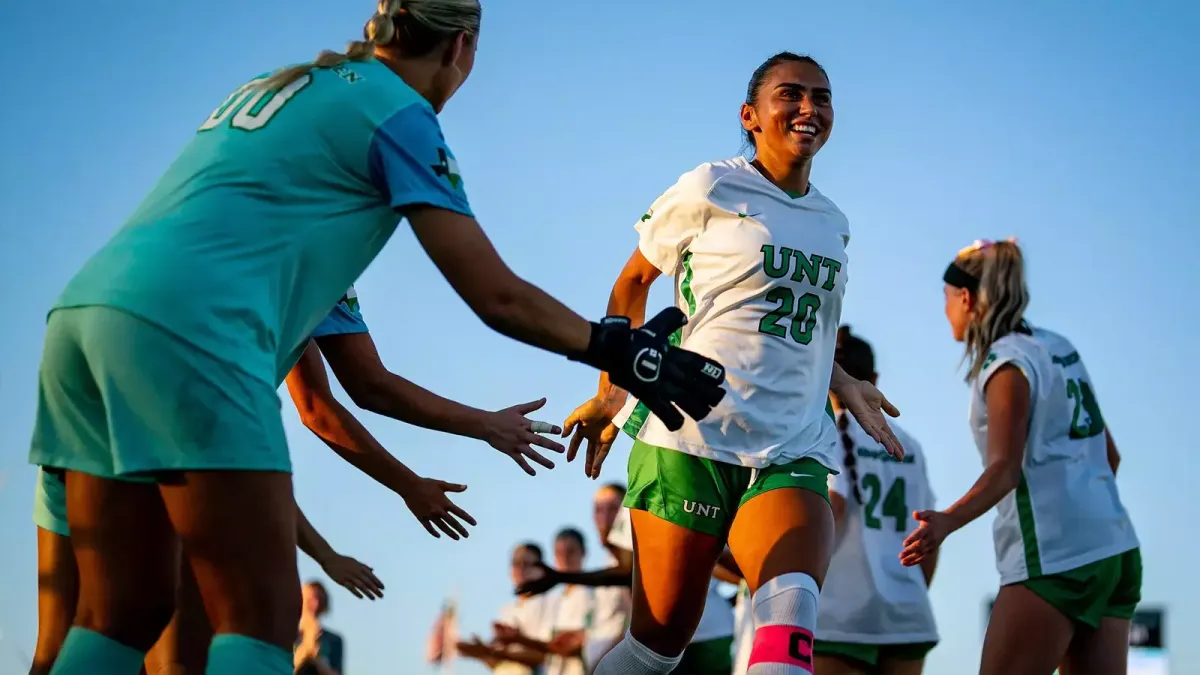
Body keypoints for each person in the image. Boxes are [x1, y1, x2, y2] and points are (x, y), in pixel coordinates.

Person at [27, 0, 727, 673]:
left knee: (121, 614)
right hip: (194, 328)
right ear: (460, 47)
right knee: (258, 623)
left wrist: (479, 426)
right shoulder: (402, 115)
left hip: (86, 318)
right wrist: (616, 348)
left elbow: (363, 381)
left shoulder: (293, 91)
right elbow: (496, 294)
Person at [560, 51, 904, 675]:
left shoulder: (834, 223)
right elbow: (631, 285)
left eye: (822, 97)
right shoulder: (710, 186)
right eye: (791, 94)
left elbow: (799, 328)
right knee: (655, 649)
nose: (809, 108)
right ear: (750, 115)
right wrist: (613, 392)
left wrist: (845, 380)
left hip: (792, 445)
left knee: (790, 612)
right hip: (687, 437)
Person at [900, 239, 1141, 675]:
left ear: (967, 299)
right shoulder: (1057, 345)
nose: (945, 311)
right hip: (1116, 548)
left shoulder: (1007, 362)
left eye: (946, 299)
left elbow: (1005, 471)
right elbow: (1111, 457)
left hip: (1054, 555)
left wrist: (947, 520)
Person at [813, 327, 939, 675]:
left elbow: (831, 511)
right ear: (874, 379)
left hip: (841, 613)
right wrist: (914, 589)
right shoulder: (909, 445)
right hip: (908, 613)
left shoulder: (822, 433)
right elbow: (928, 530)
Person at [518, 494, 736, 675]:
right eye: (598, 510)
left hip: (706, 637)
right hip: (672, 640)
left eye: (612, 507)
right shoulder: (616, 554)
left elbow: (626, 573)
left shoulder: (647, 500)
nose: (604, 517)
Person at [492, 528, 596, 675]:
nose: (565, 558)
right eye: (559, 553)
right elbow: (549, 647)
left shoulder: (590, 595)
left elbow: (560, 648)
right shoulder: (559, 600)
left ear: (584, 552)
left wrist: (517, 640)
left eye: (571, 551)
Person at [455, 542, 553, 674]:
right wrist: (480, 653)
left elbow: (547, 656)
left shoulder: (549, 603)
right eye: (516, 563)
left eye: (527, 564)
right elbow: (497, 664)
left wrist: (495, 651)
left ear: (541, 569)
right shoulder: (507, 610)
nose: (521, 569)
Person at [295, 581, 345, 675]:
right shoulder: (286, 634)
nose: (315, 604)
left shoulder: (333, 640)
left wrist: (319, 662)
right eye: (310, 600)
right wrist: (307, 649)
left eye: (319, 599)